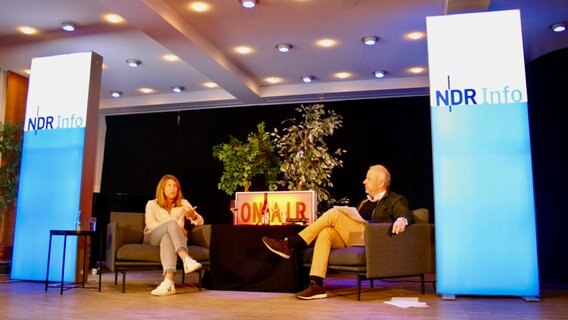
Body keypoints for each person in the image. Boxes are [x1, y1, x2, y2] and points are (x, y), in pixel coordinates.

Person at [262, 164, 414, 300]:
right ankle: (317, 284)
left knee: (334, 214)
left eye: (368, 179)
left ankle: (290, 244)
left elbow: (405, 214)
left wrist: (402, 220)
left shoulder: (395, 199)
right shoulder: (365, 202)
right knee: (326, 232)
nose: (364, 182)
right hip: (356, 237)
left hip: (373, 238)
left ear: (381, 183)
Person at [144, 174, 204, 296]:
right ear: (162, 189)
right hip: (153, 236)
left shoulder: (183, 203)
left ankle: (169, 283)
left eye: (175, 186)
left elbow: (200, 221)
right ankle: (186, 259)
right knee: (170, 225)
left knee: (168, 237)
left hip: (172, 239)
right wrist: (173, 227)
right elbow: (150, 224)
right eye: (169, 185)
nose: (172, 189)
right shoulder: (152, 204)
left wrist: (193, 216)